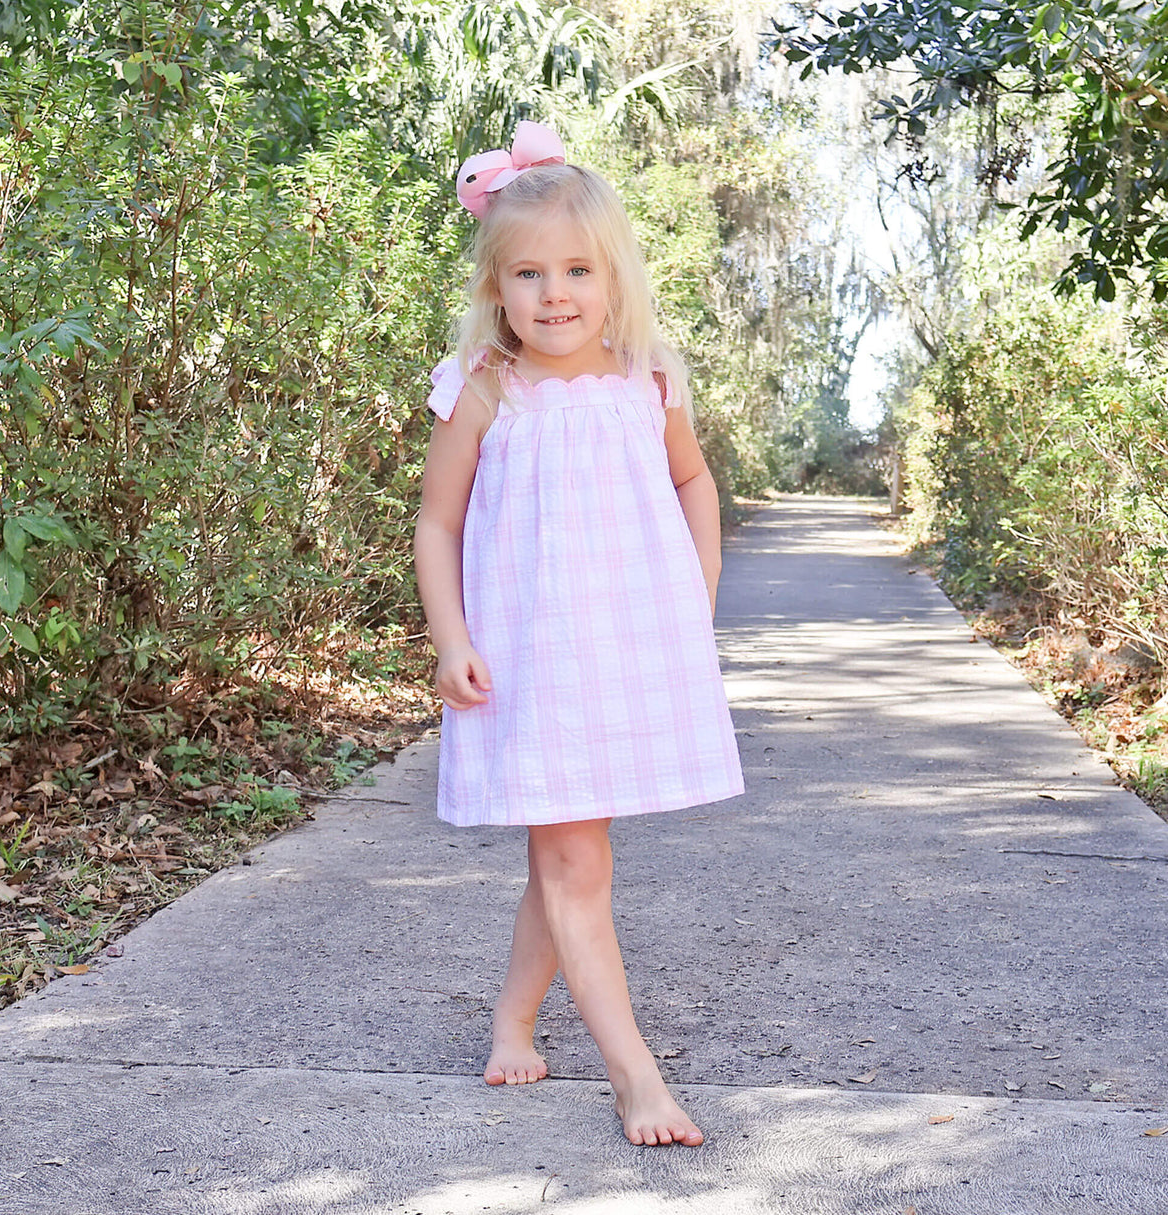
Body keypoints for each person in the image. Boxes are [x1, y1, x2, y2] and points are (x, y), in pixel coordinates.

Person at [413, 121, 743, 1148]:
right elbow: (437, 520)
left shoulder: (648, 379)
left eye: (574, 270)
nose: (553, 294)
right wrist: (448, 634)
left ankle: (513, 1020)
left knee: (568, 855)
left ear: (612, 278)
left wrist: (697, 592)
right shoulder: (483, 387)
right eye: (526, 273)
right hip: (527, 661)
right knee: (572, 863)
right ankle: (633, 1074)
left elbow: (693, 482)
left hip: (627, 652)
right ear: (494, 287)